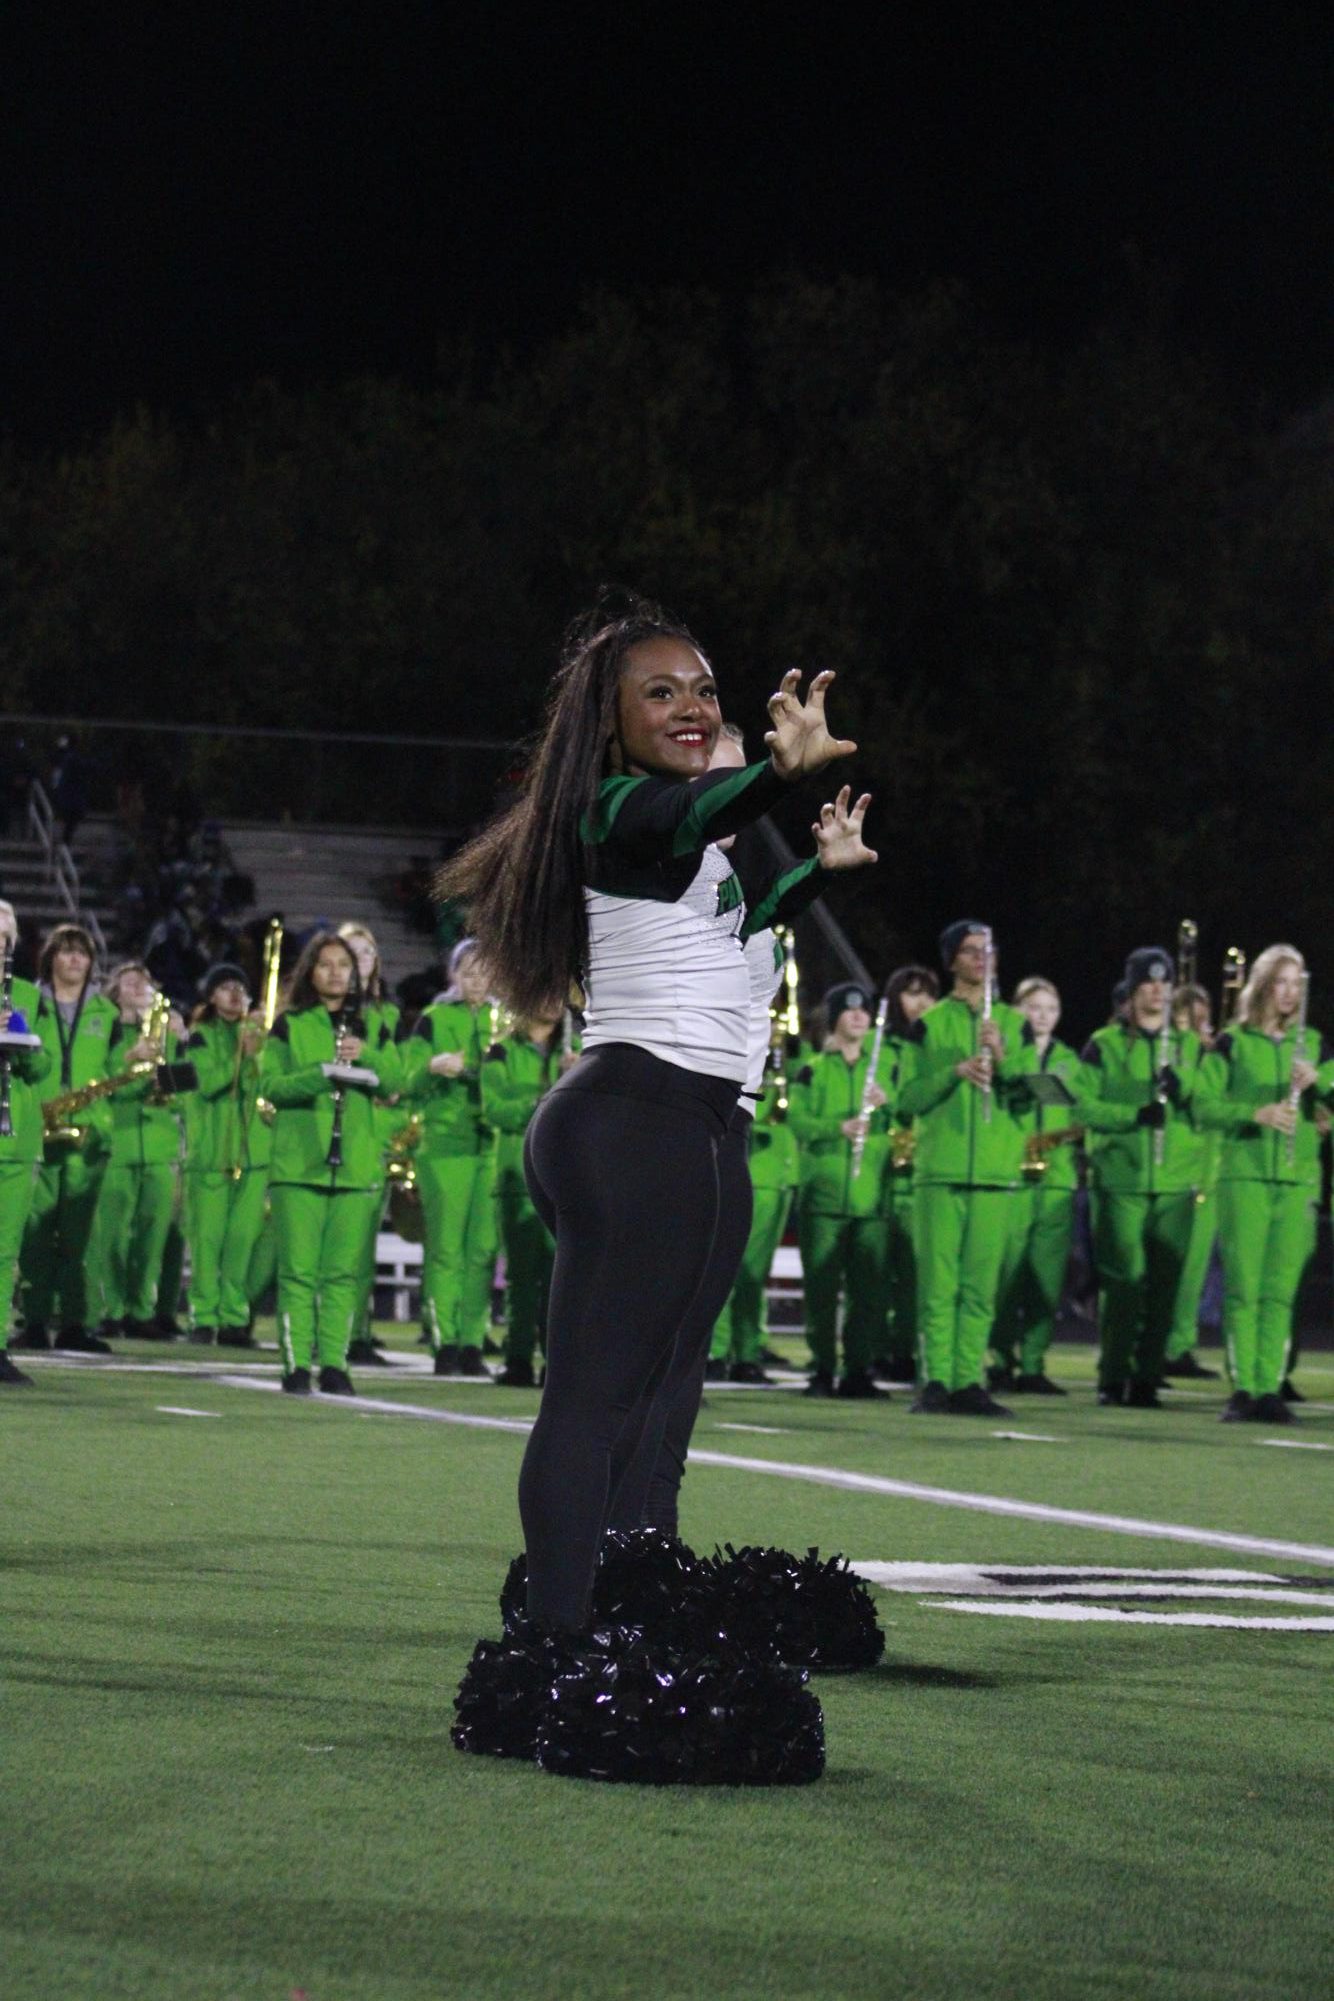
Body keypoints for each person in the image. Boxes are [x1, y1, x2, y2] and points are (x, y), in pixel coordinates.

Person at [436, 599, 858, 1639]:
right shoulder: (610, 806)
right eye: (659, 692)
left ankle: (632, 1585)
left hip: (693, 1124)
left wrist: (812, 870)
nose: (690, 707)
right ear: (608, 718)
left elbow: (737, 925)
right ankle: (555, 1643)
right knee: (591, 1400)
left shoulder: (693, 840)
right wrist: (773, 773)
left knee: (664, 1394)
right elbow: (685, 816)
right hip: (630, 1121)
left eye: (704, 690)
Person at [895, 922, 1033, 1415]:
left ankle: (969, 1380)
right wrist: (952, 1073)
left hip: (996, 1171)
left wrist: (1004, 1057)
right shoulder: (929, 1024)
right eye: (971, 952)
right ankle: (936, 1380)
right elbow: (906, 1097)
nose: (982, 959)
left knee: (980, 1288)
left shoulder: (1016, 1024)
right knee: (938, 1285)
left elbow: (1027, 1097)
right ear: (952, 961)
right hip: (941, 1169)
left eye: (988, 951)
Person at [259, 931, 402, 1395]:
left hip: (356, 1166)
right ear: (310, 973)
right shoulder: (290, 1024)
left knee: (343, 1275)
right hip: (298, 1166)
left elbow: (397, 1080)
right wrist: (321, 1074)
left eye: (344, 964)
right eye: (326, 964)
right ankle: (297, 1365)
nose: (336, 972)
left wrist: (368, 1056)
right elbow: (271, 1087)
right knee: (298, 1273)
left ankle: (336, 1364)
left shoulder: (374, 1023)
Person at [1197, 946, 1334, 1424]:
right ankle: (1245, 1389)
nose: (1291, 993)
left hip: (1298, 1180)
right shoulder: (1232, 1043)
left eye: (1298, 984)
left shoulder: (1315, 1044)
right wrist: (1254, 1112)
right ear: (1263, 986)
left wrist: (1321, 1088)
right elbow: (1202, 1105)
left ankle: (1271, 1388)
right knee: (1245, 1288)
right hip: (1245, 1176)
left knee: (1281, 1291)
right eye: (1282, 982)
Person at [1079, 947, 1213, 1407]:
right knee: (1124, 1284)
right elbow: (1082, 1105)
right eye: (1147, 983)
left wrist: (1188, 1085)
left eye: (1164, 983)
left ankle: (1148, 1377)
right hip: (1122, 1179)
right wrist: (1132, 1115)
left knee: (1164, 1287)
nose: (1157, 990)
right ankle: (1113, 1375)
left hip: (1176, 1181)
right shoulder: (1105, 1044)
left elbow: (1209, 1102)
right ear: (1133, 989)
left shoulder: (1189, 1046)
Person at [789, 981, 897, 1398]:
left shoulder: (884, 1068)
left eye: (864, 1011)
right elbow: (796, 1121)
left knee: (868, 1293)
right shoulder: (813, 1068)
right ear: (834, 1017)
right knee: (821, 1289)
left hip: (870, 1197)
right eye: (849, 1010)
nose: (858, 1016)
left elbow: (904, 1121)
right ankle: (821, 1368)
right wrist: (838, 1128)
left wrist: (886, 1104)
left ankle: (858, 1370)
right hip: (824, 1196)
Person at [401, 940, 500, 1377]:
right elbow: (408, 1081)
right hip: (444, 1146)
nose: (477, 980)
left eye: (485, 971)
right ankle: (444, 1342)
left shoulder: (505, 1021)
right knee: (445, 1250)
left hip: (493, 1146)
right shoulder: (434, 1020)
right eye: (468, 971)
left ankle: (473, 1342)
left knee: (482, 1251)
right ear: (453, 976)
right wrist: (431, 1067)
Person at [18, 924, 118, 1352]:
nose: (74, 960)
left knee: (80, 1236)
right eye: (66, 952)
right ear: (51, 958)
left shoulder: (107, 1013)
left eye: (82, 953)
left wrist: (135, 1062)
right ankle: (35, 1320)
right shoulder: (30, 1004)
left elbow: (118, 1077)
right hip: (37, 1126)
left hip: (87, 1132)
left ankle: (77, 1323)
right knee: (36, 1234)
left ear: (92, 963)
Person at [989, 977, 1083, 1394]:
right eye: (1034, 1007)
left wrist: (1063, 1135)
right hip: (1013, 1175)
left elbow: (1084, 1113)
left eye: (1050, 1008)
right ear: (1018, 1011)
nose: (1042, 1016)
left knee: (1046, 1279)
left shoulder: (1070, 1059)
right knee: (1008, 1275)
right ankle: (1000, 1358)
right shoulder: (1009, 1055)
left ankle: (1033, 1363)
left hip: (1057, 1179)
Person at [480, 1004, 580, 1386]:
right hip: (516, 1174)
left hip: (566, 1175)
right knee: (522, 1278)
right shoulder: (501, 1050)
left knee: (564, 1277)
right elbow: (495, 1111)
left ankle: (559, 1362)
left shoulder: (579, 1048)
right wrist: (550, 1095)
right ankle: (517, 1358)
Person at [98, 964, 190, 1340]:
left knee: (152, 1238)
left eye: (146, 981)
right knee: (112, 1236)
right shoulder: (105, 1029)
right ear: (115, 990)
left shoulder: (167, 1031)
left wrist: (174, 1051)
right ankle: (110, 1309)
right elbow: (98, 1083)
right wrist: (128, 1059)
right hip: (116, 1142)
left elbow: (189, 1084)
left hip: (160, 1143)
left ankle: (141, 1310)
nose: (139, 986)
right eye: (130, 980)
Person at [181, 963, 271, 1345]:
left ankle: (235, 1318)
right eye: (225, 987)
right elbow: (206, 1084)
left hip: (254, 1154)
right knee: (208, 1240)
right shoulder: (200, 1037)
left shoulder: (262, 1037)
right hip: (212, 1153)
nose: (234, 993)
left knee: (242, 1240)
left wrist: (259, 1050)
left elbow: (272, 1082)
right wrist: (240, 1053)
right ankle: (203, 1317)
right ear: (212, 996)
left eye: (240, 987)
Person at [873, 965, 939, 1384]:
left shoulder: (939, 1043)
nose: (919, 1003)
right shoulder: (884, 1045)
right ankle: (877, 1349)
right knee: (879, 1272)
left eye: (927, 994)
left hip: (923, 1170)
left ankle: (906, 1352)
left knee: (918, 1276)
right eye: (911, 994)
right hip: (884, 1173)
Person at [338, 922, 400, 1365]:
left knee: (361, 1248)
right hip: (325, 1138)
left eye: (365, 954)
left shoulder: (386, 1016)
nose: (358, 962)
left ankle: (356, 1333)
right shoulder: (316, 1014)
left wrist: (369, 1057)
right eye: (349, 954)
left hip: (369, 1141)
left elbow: (395, 1081)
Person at [0, 900, 52, 1383]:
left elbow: (43, 1067)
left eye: (3, 937)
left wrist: (22, 1037)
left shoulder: (28, 996)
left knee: (3, 1252)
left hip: (16, 1139)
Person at [1163, 983, 1223, 1381]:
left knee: (1195, 1272)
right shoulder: (1174, 1052)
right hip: (1178, 1169)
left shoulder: (1214, 1055)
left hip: (1210, 1172)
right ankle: (1156, 1347)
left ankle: (1180, 1346)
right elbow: (1184, 1092)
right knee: (1169, 1268)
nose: (1201, 1024)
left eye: (1205, 1016)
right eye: (1192, 1016)